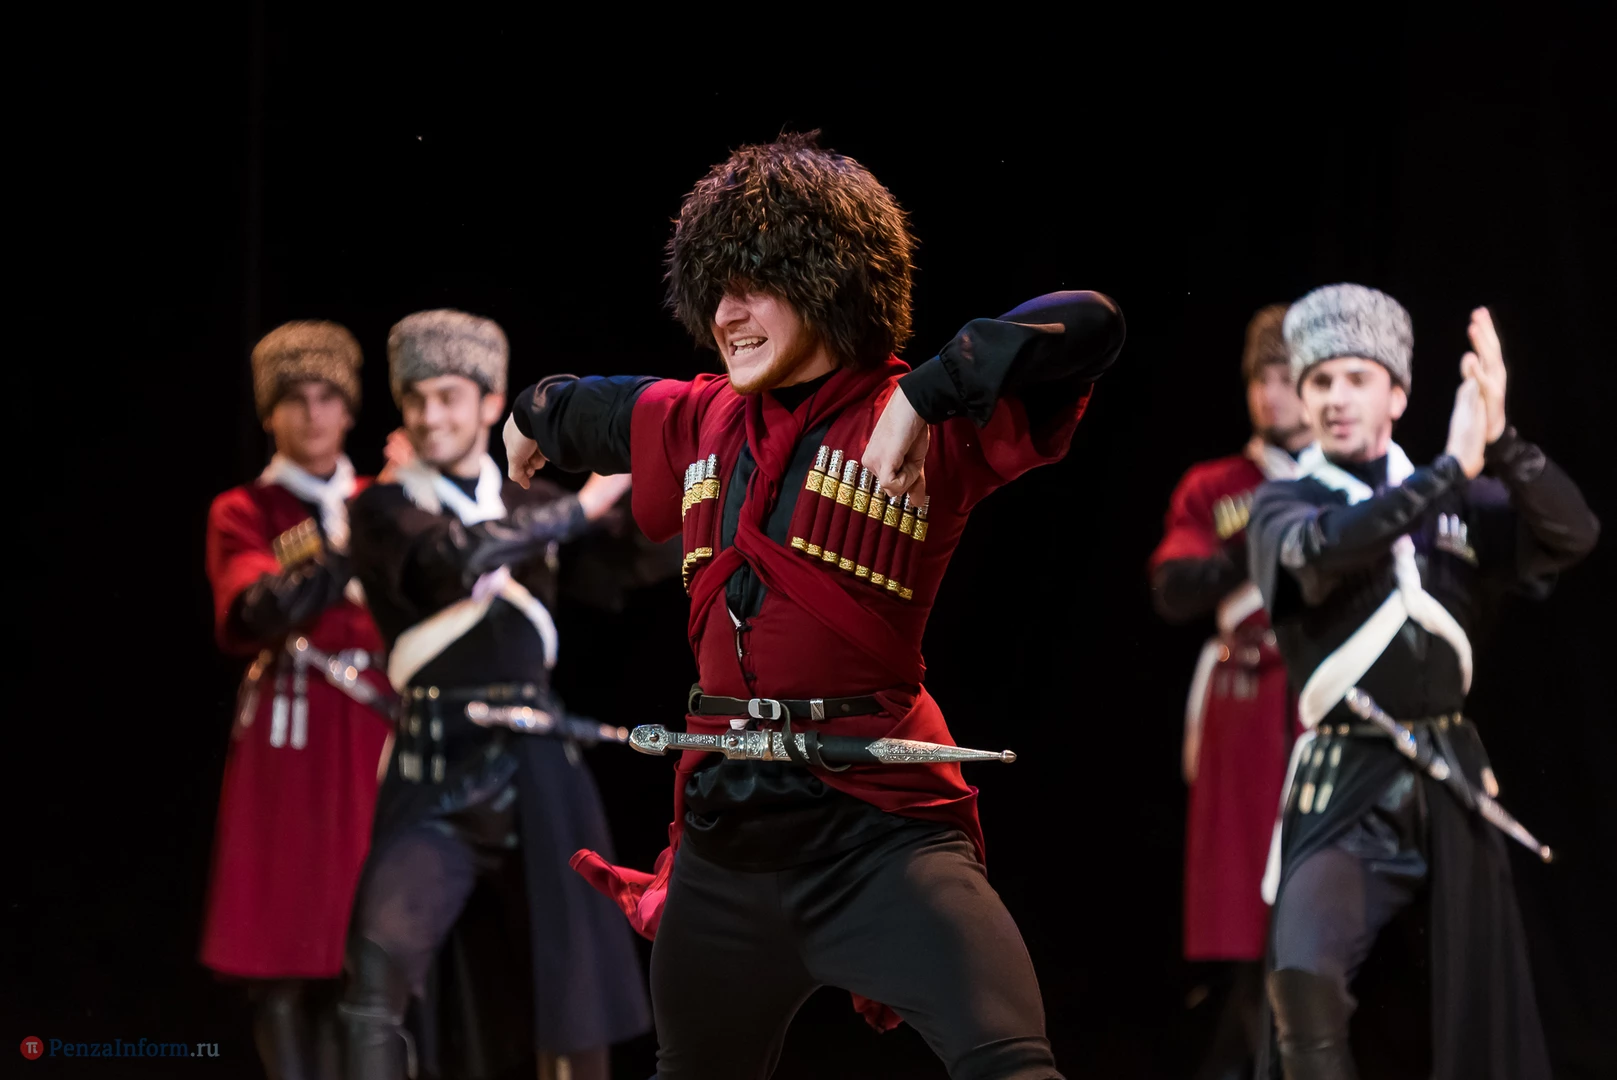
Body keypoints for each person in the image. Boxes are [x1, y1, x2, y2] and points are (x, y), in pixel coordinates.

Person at [503, 133, 1126, 1080]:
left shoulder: (926, 423)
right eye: (714, 291)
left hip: (881, 836)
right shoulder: (698, 414)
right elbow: (579, 405)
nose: (727, 315)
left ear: (827, 284)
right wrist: (529, 413)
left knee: (1011, 1066)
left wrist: (930, 391)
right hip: (723, 840)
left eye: (753, 285)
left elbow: (1091, 323)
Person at [1248, 284, 1599, 1079]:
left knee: (1465, 1012)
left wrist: (1499, 440)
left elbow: (1572, 533)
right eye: (1318, 381)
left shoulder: (1461, 498)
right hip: (1343, 787)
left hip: (1449, 782)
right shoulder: (1284, 503)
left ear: (1396, 394)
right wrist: (1449, 469)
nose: (1335, 397)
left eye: (1356, 378)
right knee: (1302, 978)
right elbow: (1326, 551)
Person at [340, 309, 651, 1080]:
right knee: (376, 975)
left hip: (538, 764)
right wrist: (580, 508)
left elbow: (637, 557)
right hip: (433, 767)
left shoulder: (527, 509)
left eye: (449, 396)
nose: (429, 415)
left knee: (573, 995)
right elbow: (443, 562)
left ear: (489, 403)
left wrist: (671, 458)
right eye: (415, 398)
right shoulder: (380, 508)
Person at [201, 320, 393, 1080]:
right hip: (292, 735)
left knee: (370, 947)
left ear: (350, 409)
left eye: (327, 397)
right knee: (279, 949)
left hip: (375, 733)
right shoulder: (245, 510)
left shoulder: (383, 497)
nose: (313, 415)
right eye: (294, 399)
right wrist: (344, 544)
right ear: (268, 413)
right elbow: (260, 609)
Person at [1147, 305, 1312, 1079]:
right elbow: (1174, 589)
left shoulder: (1348, 482)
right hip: (1247, 703)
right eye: (1259, 378)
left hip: (1321, 699)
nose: (1268, 395)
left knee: (1317, 902)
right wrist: (1261, 540)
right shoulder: (1218, 485)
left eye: (1284, 378)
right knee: (1249, 910)